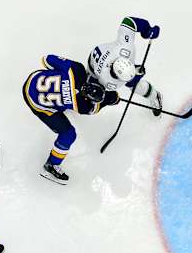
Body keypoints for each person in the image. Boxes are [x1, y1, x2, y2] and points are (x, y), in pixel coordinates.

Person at [23, 54, 120, 185]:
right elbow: (95, 109)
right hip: (37, 104)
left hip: (33, 79)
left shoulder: (77, 69)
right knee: (68, 134)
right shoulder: (83, 105)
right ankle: (50, 166)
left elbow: (46, 59)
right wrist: (111, 99)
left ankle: (59, 99)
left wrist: (60, 77)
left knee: (64, 101)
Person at [87, 16, 163, 116]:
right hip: (93, 70)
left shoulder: (125, 47)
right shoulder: (108, 81)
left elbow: (129, 22)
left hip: (103, 55)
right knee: (90, 96)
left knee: (133, 84)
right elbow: (107, 94)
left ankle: (154, 96)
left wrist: (147, 30)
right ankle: (154, 95)